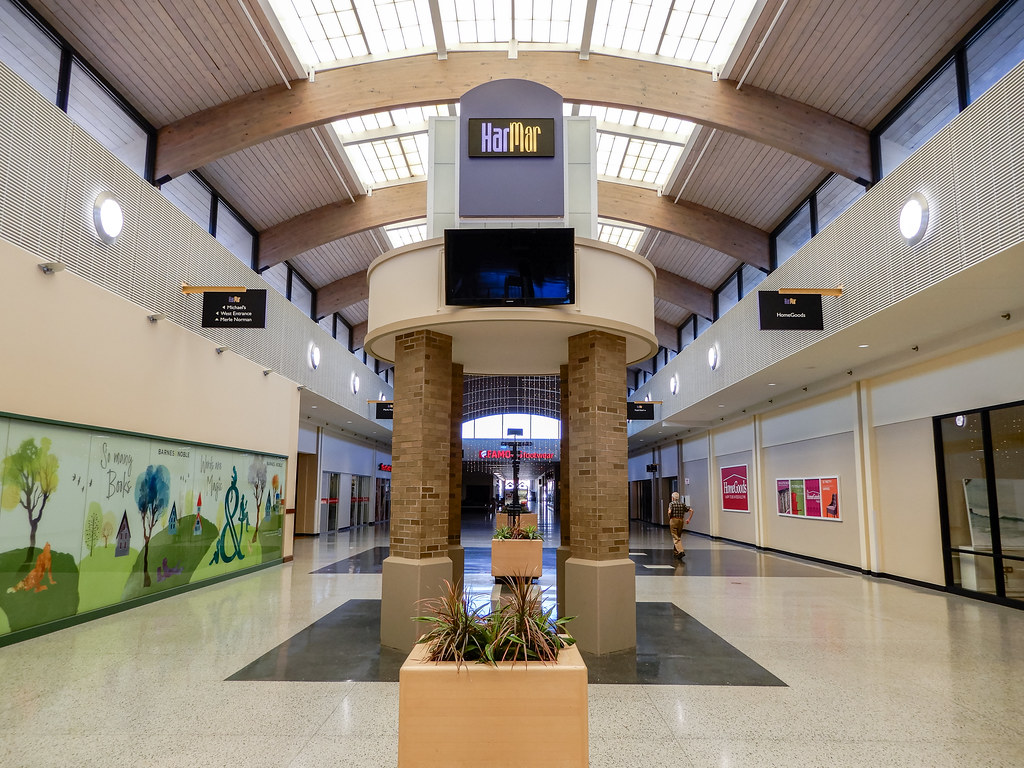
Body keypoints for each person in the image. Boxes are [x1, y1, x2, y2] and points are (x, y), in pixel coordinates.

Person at [667, 492, 693, 559]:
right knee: (678, 536)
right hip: (681, 521)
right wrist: (688, 519)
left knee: (675, 537)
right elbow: (691, 510)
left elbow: (669, 512)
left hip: (673, 520)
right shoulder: (682, 504)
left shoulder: (671, 503)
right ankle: (676, 553)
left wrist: (669, 517)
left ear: (672, 498)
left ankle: (680, 551)